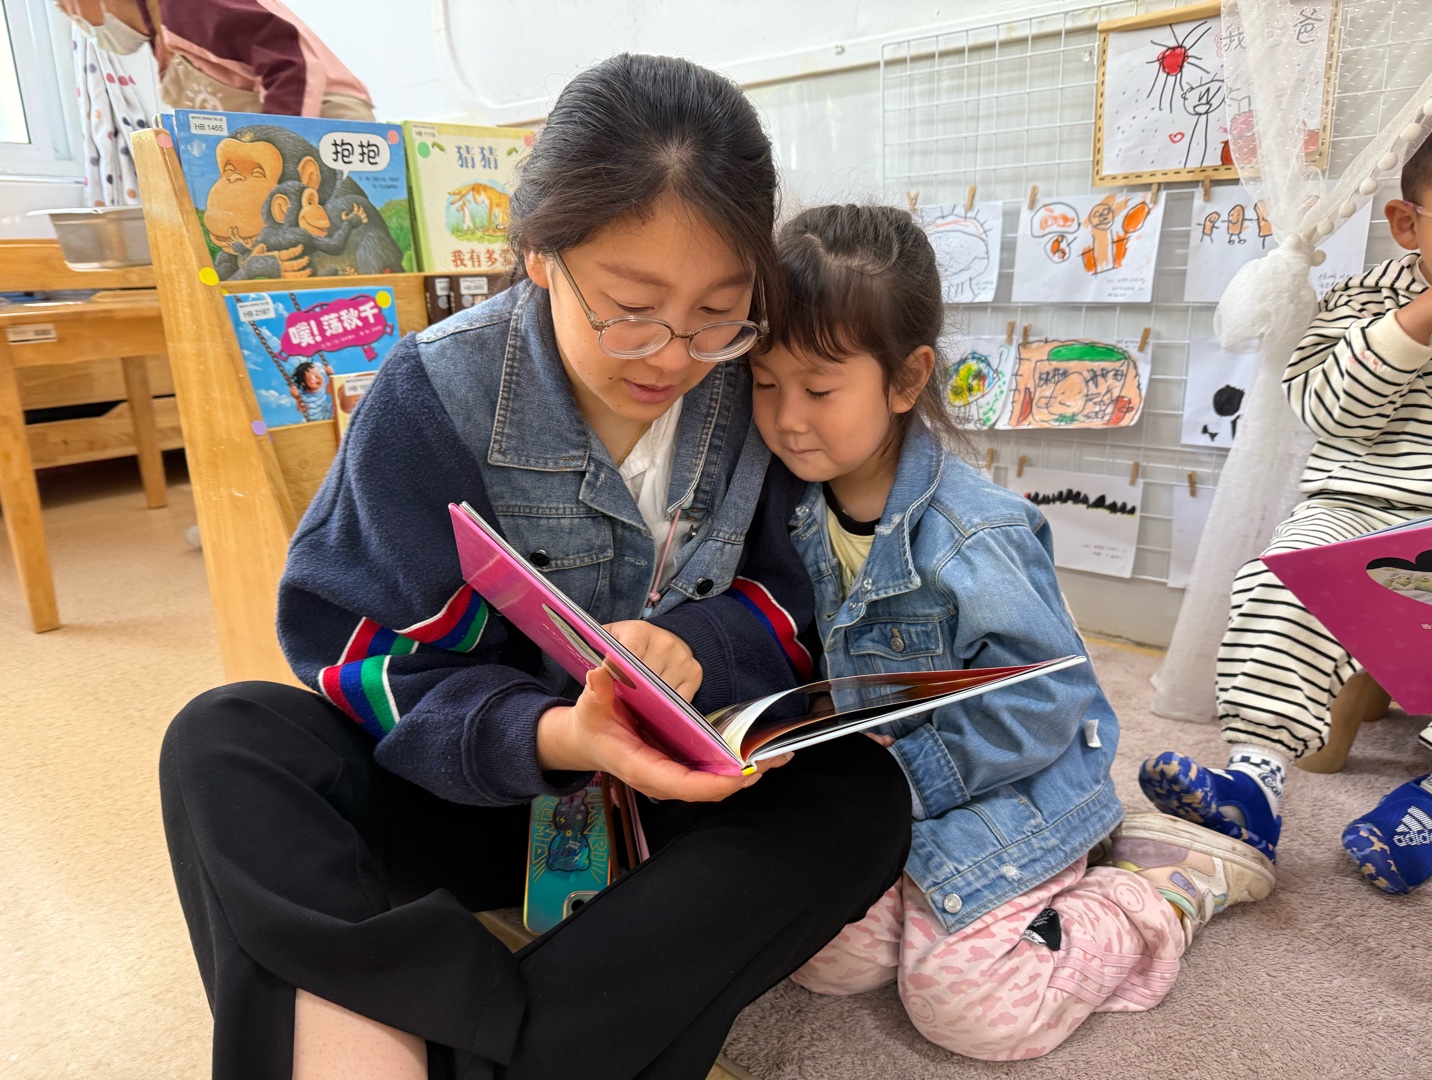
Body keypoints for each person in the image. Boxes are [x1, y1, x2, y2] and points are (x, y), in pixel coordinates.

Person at [158, 56, 910, 1080]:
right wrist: (560, 733)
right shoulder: (435, 394)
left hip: (672, 802)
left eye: (718, 311)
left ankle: (431, 1039)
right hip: (483, 795)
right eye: (631, 305)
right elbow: (365, 652)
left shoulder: (757, 387)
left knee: (860, 795)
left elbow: (797, 603)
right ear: (540, 253)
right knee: (228, 740)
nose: (673, 354)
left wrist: (695, 651)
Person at [748, 204, 1273, 1061]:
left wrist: (894, 780)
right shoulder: (791, 502)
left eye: (818, 388)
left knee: (970, 1014)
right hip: (883, 787)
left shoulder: (976, 535)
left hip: (1011, 784)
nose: (786, 418)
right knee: (824, 962)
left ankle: (1161, 890)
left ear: (907, 380)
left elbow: (1042, 706)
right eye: (764, 383)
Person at [1139, 126, 1432, 896]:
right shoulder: (1364, 301)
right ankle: (1256, 780)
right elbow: (1331, 413)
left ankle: (1430, 809)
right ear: (1408, 225)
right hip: (1360, 510)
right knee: (1281, 579)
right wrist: (1421, 316)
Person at [58, 0, 375, 119]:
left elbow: (292, 64)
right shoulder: (163, 41)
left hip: (326, 121)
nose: (78, 23)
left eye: (72, 9)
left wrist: (277, 149)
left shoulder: (189, 7)